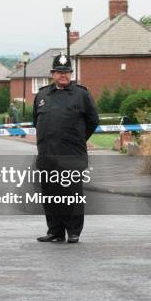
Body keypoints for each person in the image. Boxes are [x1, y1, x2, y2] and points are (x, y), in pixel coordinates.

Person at [32, 54, 99, 243]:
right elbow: (36, 121)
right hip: (47, 155)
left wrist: (77, 139)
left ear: (71, 73)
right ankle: (55, 231)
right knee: (51, 194)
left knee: (72, 194)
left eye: (66, 72)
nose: (63, 75)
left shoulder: (81, 94)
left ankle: (74, 231)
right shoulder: (42, 95)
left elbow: (93, 121)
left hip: (72, 155)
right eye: (59, 72)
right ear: (52, 74)